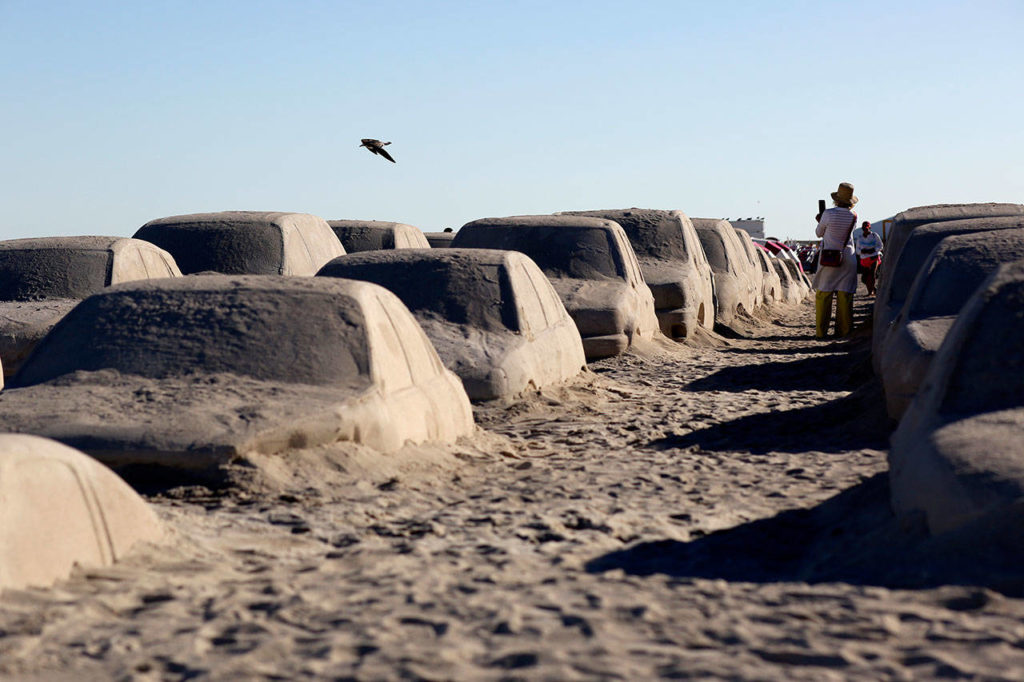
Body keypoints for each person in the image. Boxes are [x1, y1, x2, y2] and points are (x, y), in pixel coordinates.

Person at [812, 182, 859, 339]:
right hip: (848, 258)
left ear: (836, 199)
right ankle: (844, 331)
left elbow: (819, 233)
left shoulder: (828, 214)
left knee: (824, 295)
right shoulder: (853, 216)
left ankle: (821, 332)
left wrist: (820, 220)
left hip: (829, 258)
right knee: (845, 297)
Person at [853, 220, 883, 295]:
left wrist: (873, 250)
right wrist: (863, 251)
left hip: (874, 257)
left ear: (869, 228)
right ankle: (872, 289)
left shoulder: (874, 235)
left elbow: (880, 246)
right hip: (864, 259)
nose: (865, 230)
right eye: (864, 229)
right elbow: (857, 250)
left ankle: (870, 292)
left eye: (867, 228)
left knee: (872, 273)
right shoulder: (860, 238)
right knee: (865, 277)